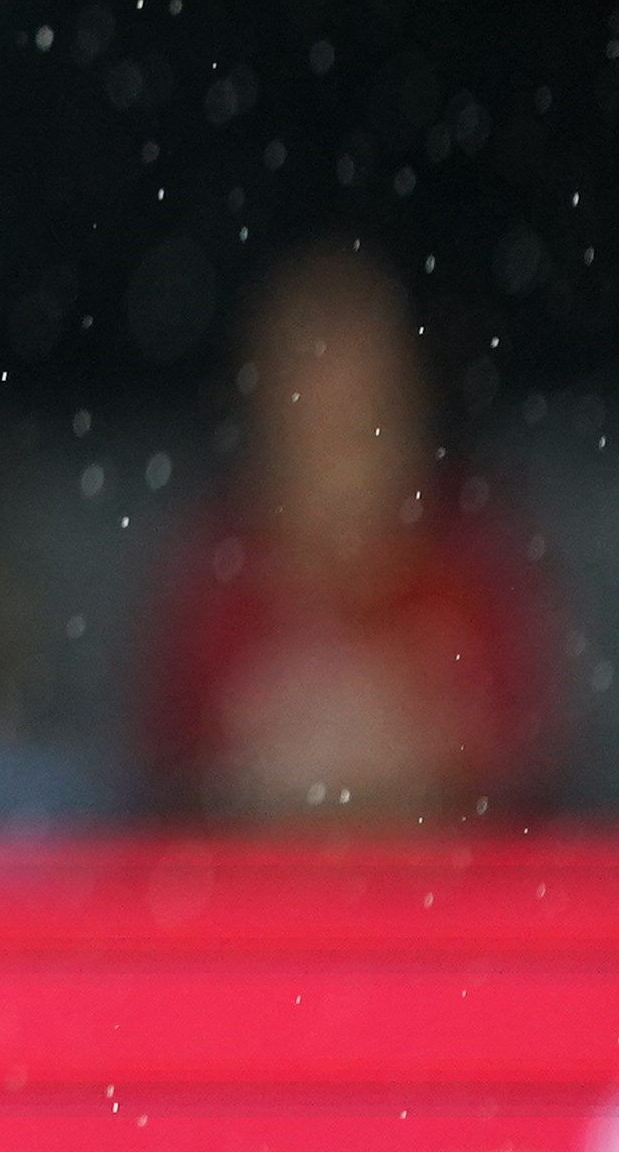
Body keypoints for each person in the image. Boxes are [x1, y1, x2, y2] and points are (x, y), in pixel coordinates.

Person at [142, 244, 558, 825]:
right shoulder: (217, 577)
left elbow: (529, 781)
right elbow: (164, 787)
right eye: (312, 422)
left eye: (359, 423)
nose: (337, 461)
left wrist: (418, 755)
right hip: (260, 908)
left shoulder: (477, 569)